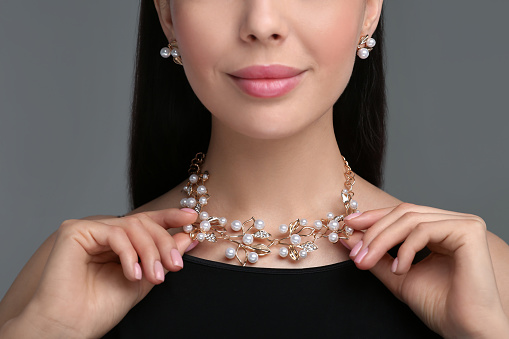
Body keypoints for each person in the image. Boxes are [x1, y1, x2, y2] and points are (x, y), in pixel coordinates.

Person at [1, 0, 508, 337]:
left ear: (369, 8)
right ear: (168, 14)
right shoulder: (70, 274)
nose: (261, 22)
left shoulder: (479, 273)